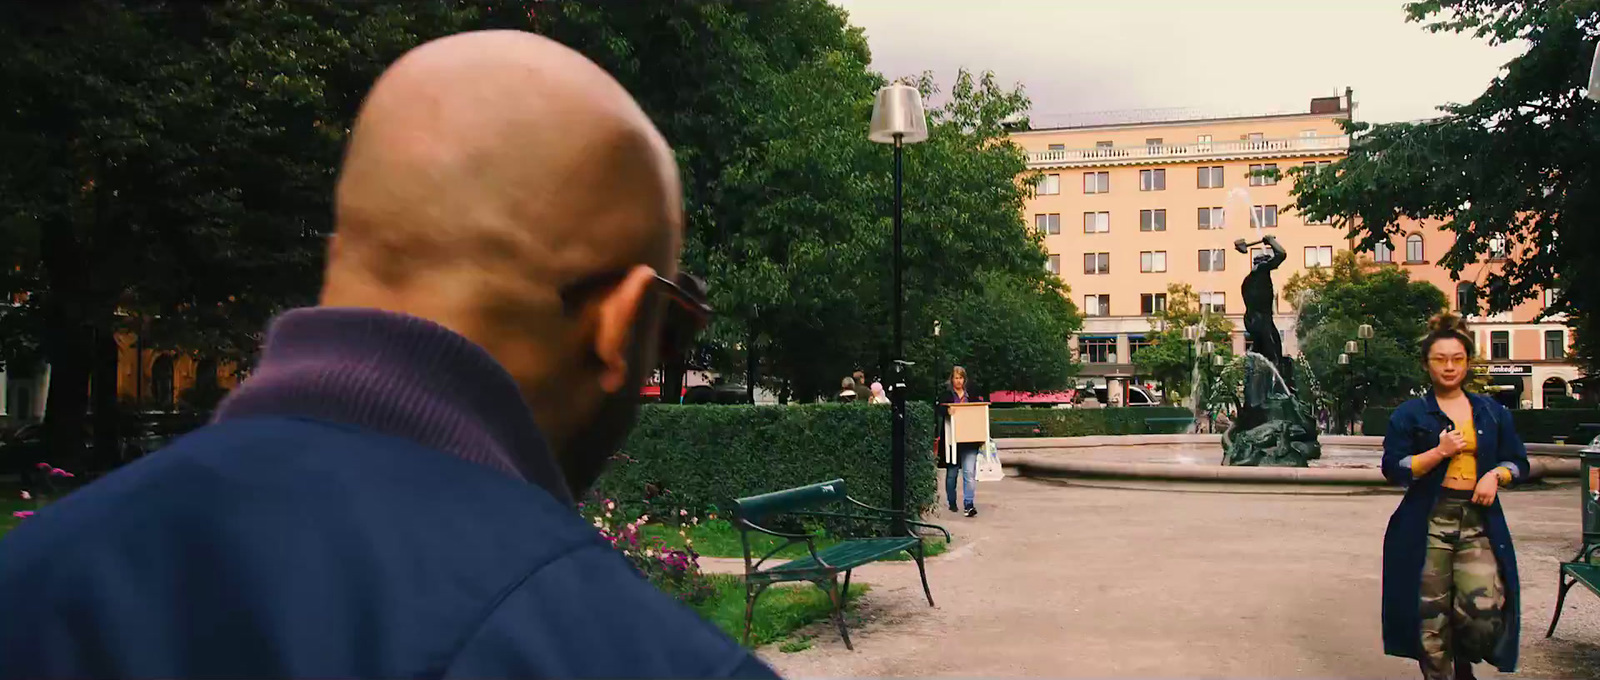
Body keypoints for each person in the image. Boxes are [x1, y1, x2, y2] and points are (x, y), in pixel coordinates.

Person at [0, 31, 778, 679]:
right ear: (622, 324)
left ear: (344, 260)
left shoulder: (35, 583)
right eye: (672, 331)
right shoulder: (648, 661)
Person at [1381, 313, 1528, 680]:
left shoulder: (1491, 412)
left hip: (1478, 520)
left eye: (1457, 359)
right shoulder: (1410, 414)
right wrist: (1439, 452)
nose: (1449, 367)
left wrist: (1497, 474)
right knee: (1429, 615)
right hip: (1428, 520)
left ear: (1467, 362)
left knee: (1483, 611)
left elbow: (1519, 461)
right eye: (1440, 360)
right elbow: (1393, 468)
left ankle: (1463, 660)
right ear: (1426, 365)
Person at [936, 366, 980, 517]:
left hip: (970, 439)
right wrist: (947, 410)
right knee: (952, 474)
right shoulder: (946, 395)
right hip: (952, 441)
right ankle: (952, 502)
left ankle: (969, 504)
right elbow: (938, 409)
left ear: (964, 379)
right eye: (956, 377)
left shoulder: (972, 395)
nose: (958, 380)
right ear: (951, 379)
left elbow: (979, 411)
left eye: (961, 378)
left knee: (969, 472)